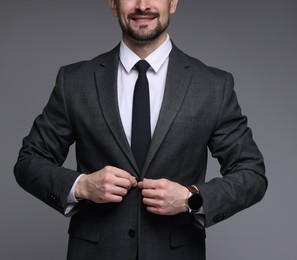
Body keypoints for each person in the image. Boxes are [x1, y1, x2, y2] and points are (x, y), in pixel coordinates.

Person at [14, 0, 267, 259]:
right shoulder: (75, 81)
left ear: (173, 3)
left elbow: (251, 174)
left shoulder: (213, 85)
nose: (142, 5)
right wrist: (82, 186)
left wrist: (190, 198)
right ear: (113, 4)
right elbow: (29, 162)